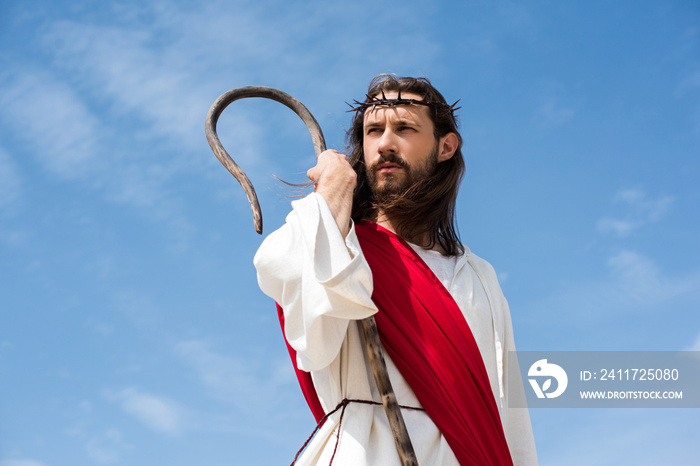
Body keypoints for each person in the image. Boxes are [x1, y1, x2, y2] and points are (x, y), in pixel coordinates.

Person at [254, 74, 538, 465]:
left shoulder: (478, 276)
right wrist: (333, 192)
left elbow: (510, 413)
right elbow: (310, 330)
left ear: (445, 146)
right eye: (374, 131)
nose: (385, 143)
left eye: (404, 128)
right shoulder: (339, 242)